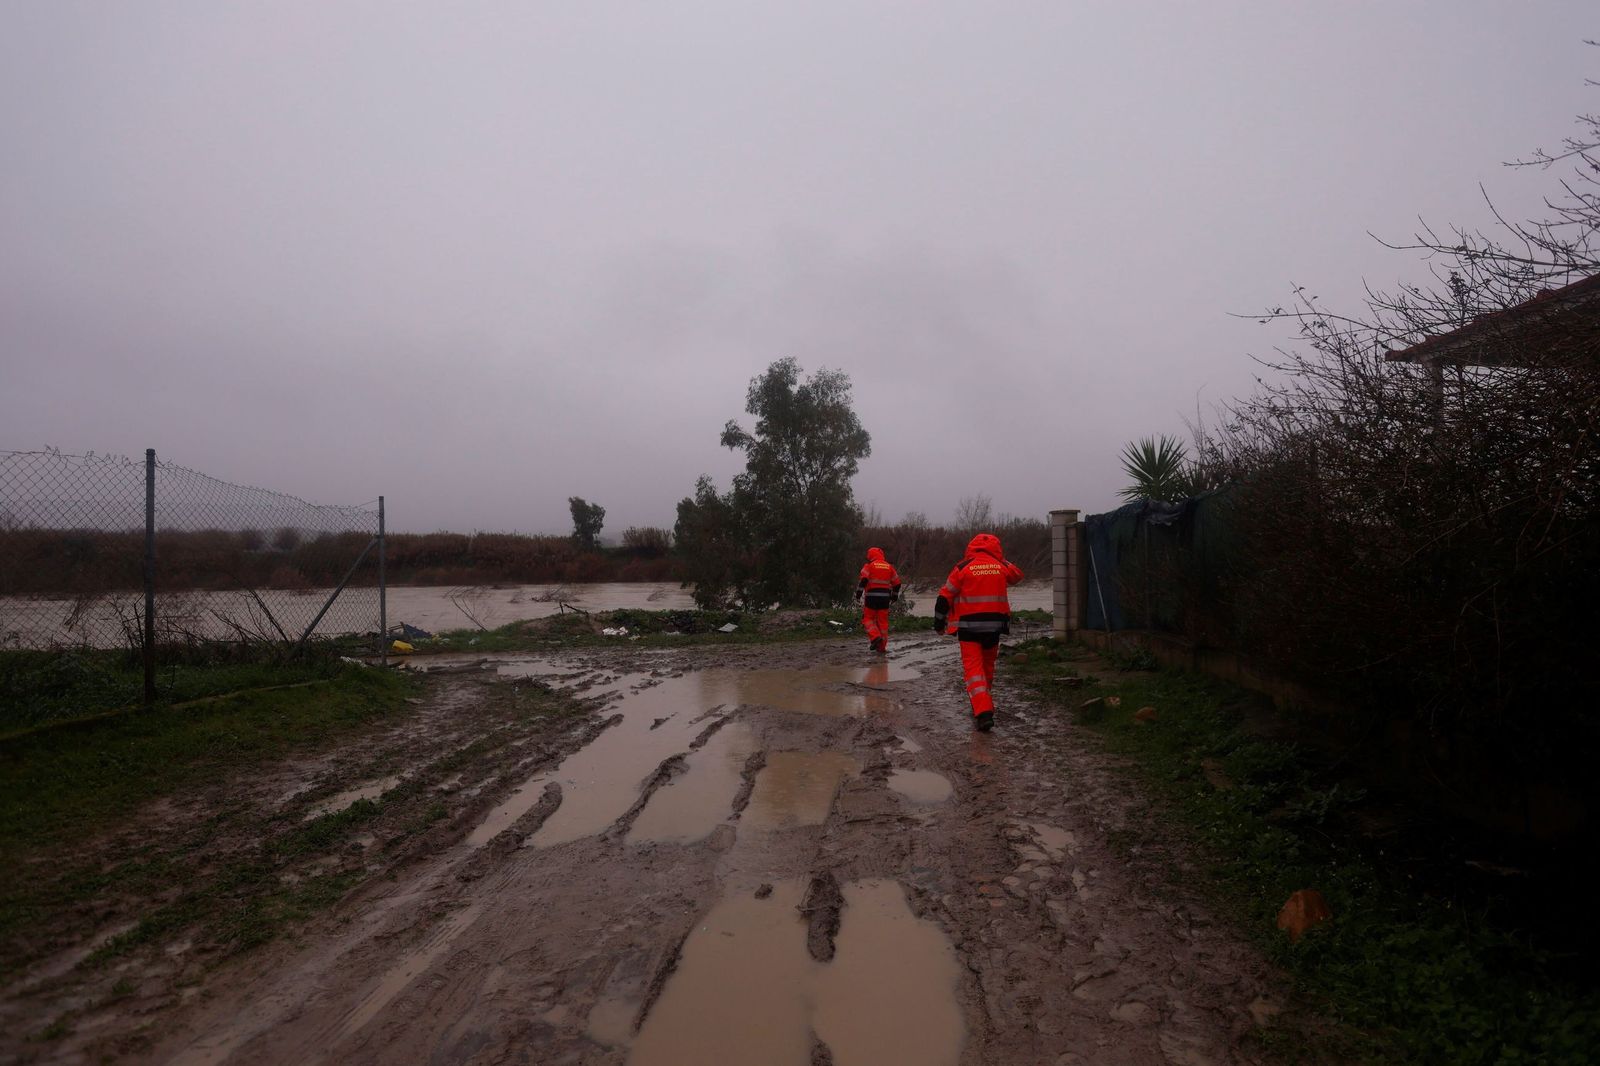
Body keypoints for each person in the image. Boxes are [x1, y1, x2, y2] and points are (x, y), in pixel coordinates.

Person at [932, 532, 1023, 732]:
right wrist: (999, 559)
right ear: (996, 549)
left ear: (971, 548)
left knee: (974, 670)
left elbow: (944, 597)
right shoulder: (1000, 566)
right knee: (988, 666)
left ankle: (983, 711)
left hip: (968, 627)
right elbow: (1017, 575)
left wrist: (939, 623)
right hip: (995, 626)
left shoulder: (962, 567)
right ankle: (983, 702)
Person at [854, 546, 902, 653]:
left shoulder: (869, 566)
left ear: (870, 556)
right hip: (885, 599)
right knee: (883, 623)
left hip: (871, 597)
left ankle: (875, 637)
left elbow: (864, 580)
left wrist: (858, 594)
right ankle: (881, 648)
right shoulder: (889, 567)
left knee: (867, 619)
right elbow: (897, 584)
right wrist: (894, 596)